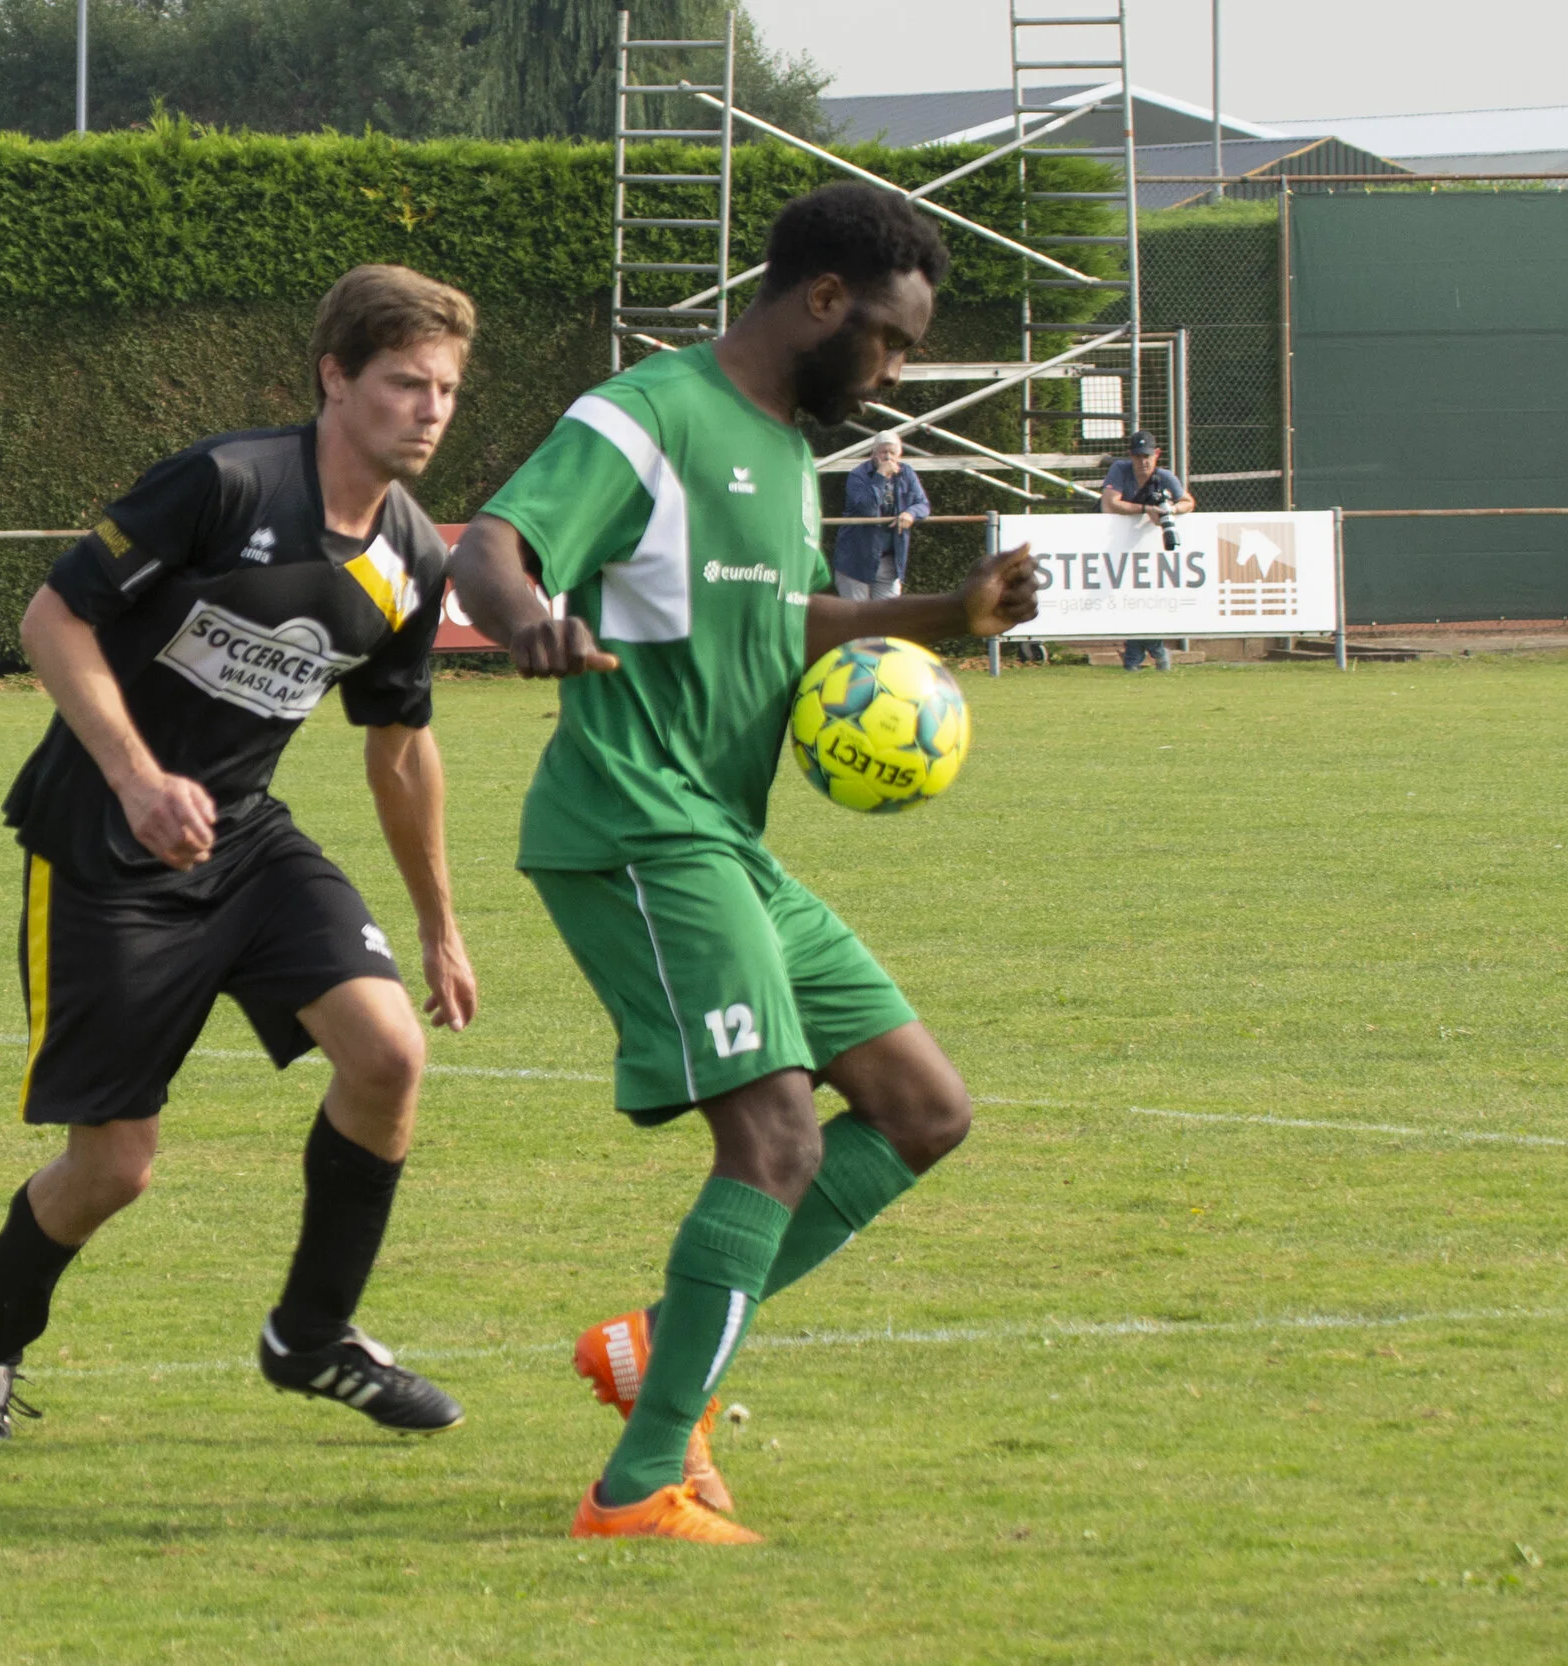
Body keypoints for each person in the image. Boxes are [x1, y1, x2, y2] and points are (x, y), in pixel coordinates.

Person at [448, 182, 1040, 1546]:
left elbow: (785, 620)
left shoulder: (782, 451)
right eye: (888, 341)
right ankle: (639, 1484)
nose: (892, 375)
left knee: (922, 1109)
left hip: (722, 839)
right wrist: (526, 620)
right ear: (823, 300)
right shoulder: (649, 416)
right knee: (774, 1137)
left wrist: (947, 612)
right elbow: (492, 544)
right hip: (634, 827)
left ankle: (659, 1345)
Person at [0, 265, 482, 1442]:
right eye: (404, 382)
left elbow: (399, 749)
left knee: (388, 1052)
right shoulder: (227, 483)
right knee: (114, 1169)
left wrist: (439, 924)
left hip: (244, 836)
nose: (430, 409)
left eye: (445, 388)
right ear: (335, 377)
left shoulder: (413, 556)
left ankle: (312, 1336)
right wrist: (137, 777)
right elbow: (52, 618)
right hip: (102, 846)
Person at [1099, 429, 1193, 670]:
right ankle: (1155, 653)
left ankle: (1136, 659)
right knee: (1127, 600)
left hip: (1150, 553)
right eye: (1138, 456)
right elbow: (1109, 504)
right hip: (1116, 549)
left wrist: (1170, 509)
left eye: (1147, 456)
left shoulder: (1164, 477)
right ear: (1130, 455)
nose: (1143, 461)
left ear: (1157, 454)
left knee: (1142, 602)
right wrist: (1145, 509)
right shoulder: (1120, 470)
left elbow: (1188, 502)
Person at [832, 432, 928, 600]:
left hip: (889, 563)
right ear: (873, 453)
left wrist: (911, 513)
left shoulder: (907, 473)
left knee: (889, 615)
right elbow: (868, 510)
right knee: (858, 615)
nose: (888, 457)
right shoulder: (858, 475)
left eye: (892, 452)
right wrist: (880, 476)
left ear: (899, 455)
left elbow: (923, 504)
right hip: (856, 562)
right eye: (883, 452)